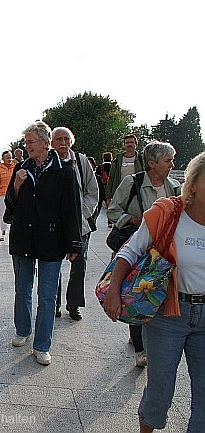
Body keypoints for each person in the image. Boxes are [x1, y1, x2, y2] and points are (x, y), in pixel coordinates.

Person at [103, 152, 205, 433]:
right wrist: (113, 292)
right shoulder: (168, 212)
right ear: (193, 184)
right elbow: (129, 251)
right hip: (168, 314)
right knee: (161, 390)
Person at [5, 121, 82, 366]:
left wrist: (73, 244)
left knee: (48, 295)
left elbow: (72, 209)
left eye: (31, 142)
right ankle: (23, 329)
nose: (26, 146)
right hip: (23, 239)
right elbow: (10, 206)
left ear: (45, 143)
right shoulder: (21, 168)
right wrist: (17, 185)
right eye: (26, 142)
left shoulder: (65, 171)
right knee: (22, 288)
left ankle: (42, 344)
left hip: (51, 241)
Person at [106, 140, 181, 367]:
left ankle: (149, 340)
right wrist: (136, 220)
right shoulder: (133, 183)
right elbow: (113, 211)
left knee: (156, 298)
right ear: (152, 163)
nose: (171, 164)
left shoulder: (175, 187)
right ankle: (140, 349)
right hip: (138, 253)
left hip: (165, 257)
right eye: (167, 161)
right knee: (137, 296)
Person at [51, 127, 99, 321]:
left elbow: (92, 191)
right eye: (58, 139)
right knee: (53, 265)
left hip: (80, 225)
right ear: (51, 143)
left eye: (66, 139)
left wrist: (82, 214)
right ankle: (53, 303)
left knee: (79, 265)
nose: (63, 143)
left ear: (71, 141)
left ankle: (74, 304)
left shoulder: (81, 161)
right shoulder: (48, 161)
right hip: (54, 225)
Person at [104, 134, 144, 209]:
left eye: (131, 142)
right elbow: (111, 179)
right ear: (124, 145)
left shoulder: (141, 160)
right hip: (119, 195)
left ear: (136, 144)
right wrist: (108, 197)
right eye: (127, 143)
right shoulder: (117, 160)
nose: (129, 144)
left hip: (137, 195)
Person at [0, 150, 15, 241]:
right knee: (3, 212)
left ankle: (12, 232)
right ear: (3, 159)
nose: (9, 159)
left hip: (13, 194)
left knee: (13, 213)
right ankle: (3, 232)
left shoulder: (15, 167)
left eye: (10, 157)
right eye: (7, 158)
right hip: (2, 194)